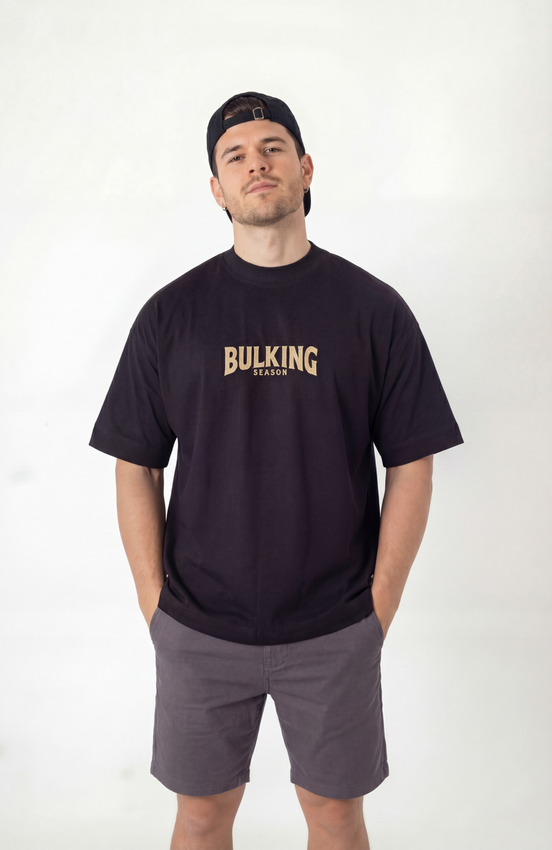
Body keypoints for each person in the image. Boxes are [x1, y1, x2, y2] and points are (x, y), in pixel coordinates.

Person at [89, 91, 463, 850]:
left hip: (335, 625)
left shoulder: (372, 309)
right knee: (201, 816)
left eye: (272, 148)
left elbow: (411, 462)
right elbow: (136, 464)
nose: (255, 163)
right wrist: (155, 604)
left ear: (305, 167)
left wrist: (380, 603)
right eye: (235, 155)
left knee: (335, 817)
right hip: (199, 625)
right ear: (217, 189)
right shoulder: (172, 315)